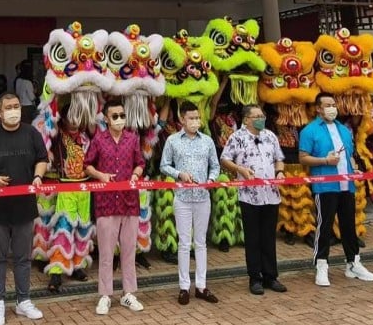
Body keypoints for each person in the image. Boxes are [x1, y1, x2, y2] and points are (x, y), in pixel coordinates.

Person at [0, 93, 48, 325]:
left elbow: (42, 158)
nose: (14, 110)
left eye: (16, 106)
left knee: (23, 258)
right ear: (0, 113)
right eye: (9, 107)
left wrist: (37, 176)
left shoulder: (31, 133)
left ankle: (23, 301)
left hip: (24, 208)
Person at [298, 93, 373, 287]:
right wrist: (325, 160)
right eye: (327, 105)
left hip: (346, 185)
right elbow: (303, 157)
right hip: (325, 186)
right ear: (318, 108)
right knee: (324, 226)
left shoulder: (343, 129)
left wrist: (353, 167)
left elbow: (348, 155)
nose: (332, 108)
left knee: (349, 226)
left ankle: (353, 263)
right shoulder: (310, 130)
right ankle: (321, 265)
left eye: (333, 104)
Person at [84, 98, 146, 315]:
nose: (120, 119)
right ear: (106, 119)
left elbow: (140, 162)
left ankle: (129, 293)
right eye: (115, 116)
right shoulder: (99, 140)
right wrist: (100, 175)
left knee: (129, 251)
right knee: (107, 253)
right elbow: (87, 164)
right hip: (106, 203)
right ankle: (105, 295)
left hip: (129, 202)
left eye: (122, 115)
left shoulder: (132, 139)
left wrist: (137, 174)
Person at [220, 104, 288, 295]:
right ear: (247, 119)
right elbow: (224, 159)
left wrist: (280, 171)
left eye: (262, 115)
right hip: (249, 195)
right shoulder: (237, 137)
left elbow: (279, 157)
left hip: (271, 194)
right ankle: (255, 278)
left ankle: (271, 276)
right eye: (257, 116)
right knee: (253, 237)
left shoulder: (270, 136)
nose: (261, 118)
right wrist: (239, 169)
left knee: (268, 236)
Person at [159, 102, 221, 305]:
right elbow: (164, 165)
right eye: (191, 118)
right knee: (184, 244)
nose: (196, 121)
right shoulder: (172, 140)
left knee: (201, 243)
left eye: (197, 117)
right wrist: (179, 174)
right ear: (182, 120)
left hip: (203, 198)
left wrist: (211, 180)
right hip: (183, 199)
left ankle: (201, 287)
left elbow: (215, 165)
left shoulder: (208, 141)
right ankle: (184, 287)